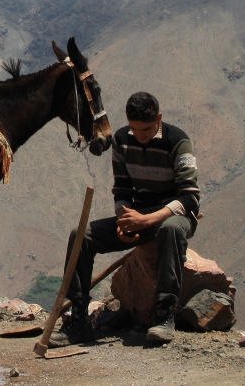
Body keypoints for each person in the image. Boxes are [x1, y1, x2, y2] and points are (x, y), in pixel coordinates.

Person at [50, 91, 200, 346]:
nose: (140, 135)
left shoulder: (178, 142)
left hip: (172, 216)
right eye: (135, 129)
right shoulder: (121, 140)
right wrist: (123, 220)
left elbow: (189, 198)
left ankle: (163, 315)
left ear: (159, 118)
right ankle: (78, 319)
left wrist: (149, 219)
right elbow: (121, 191)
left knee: (171, 230)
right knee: (81, 236)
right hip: (136, 216)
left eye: (146, 129)